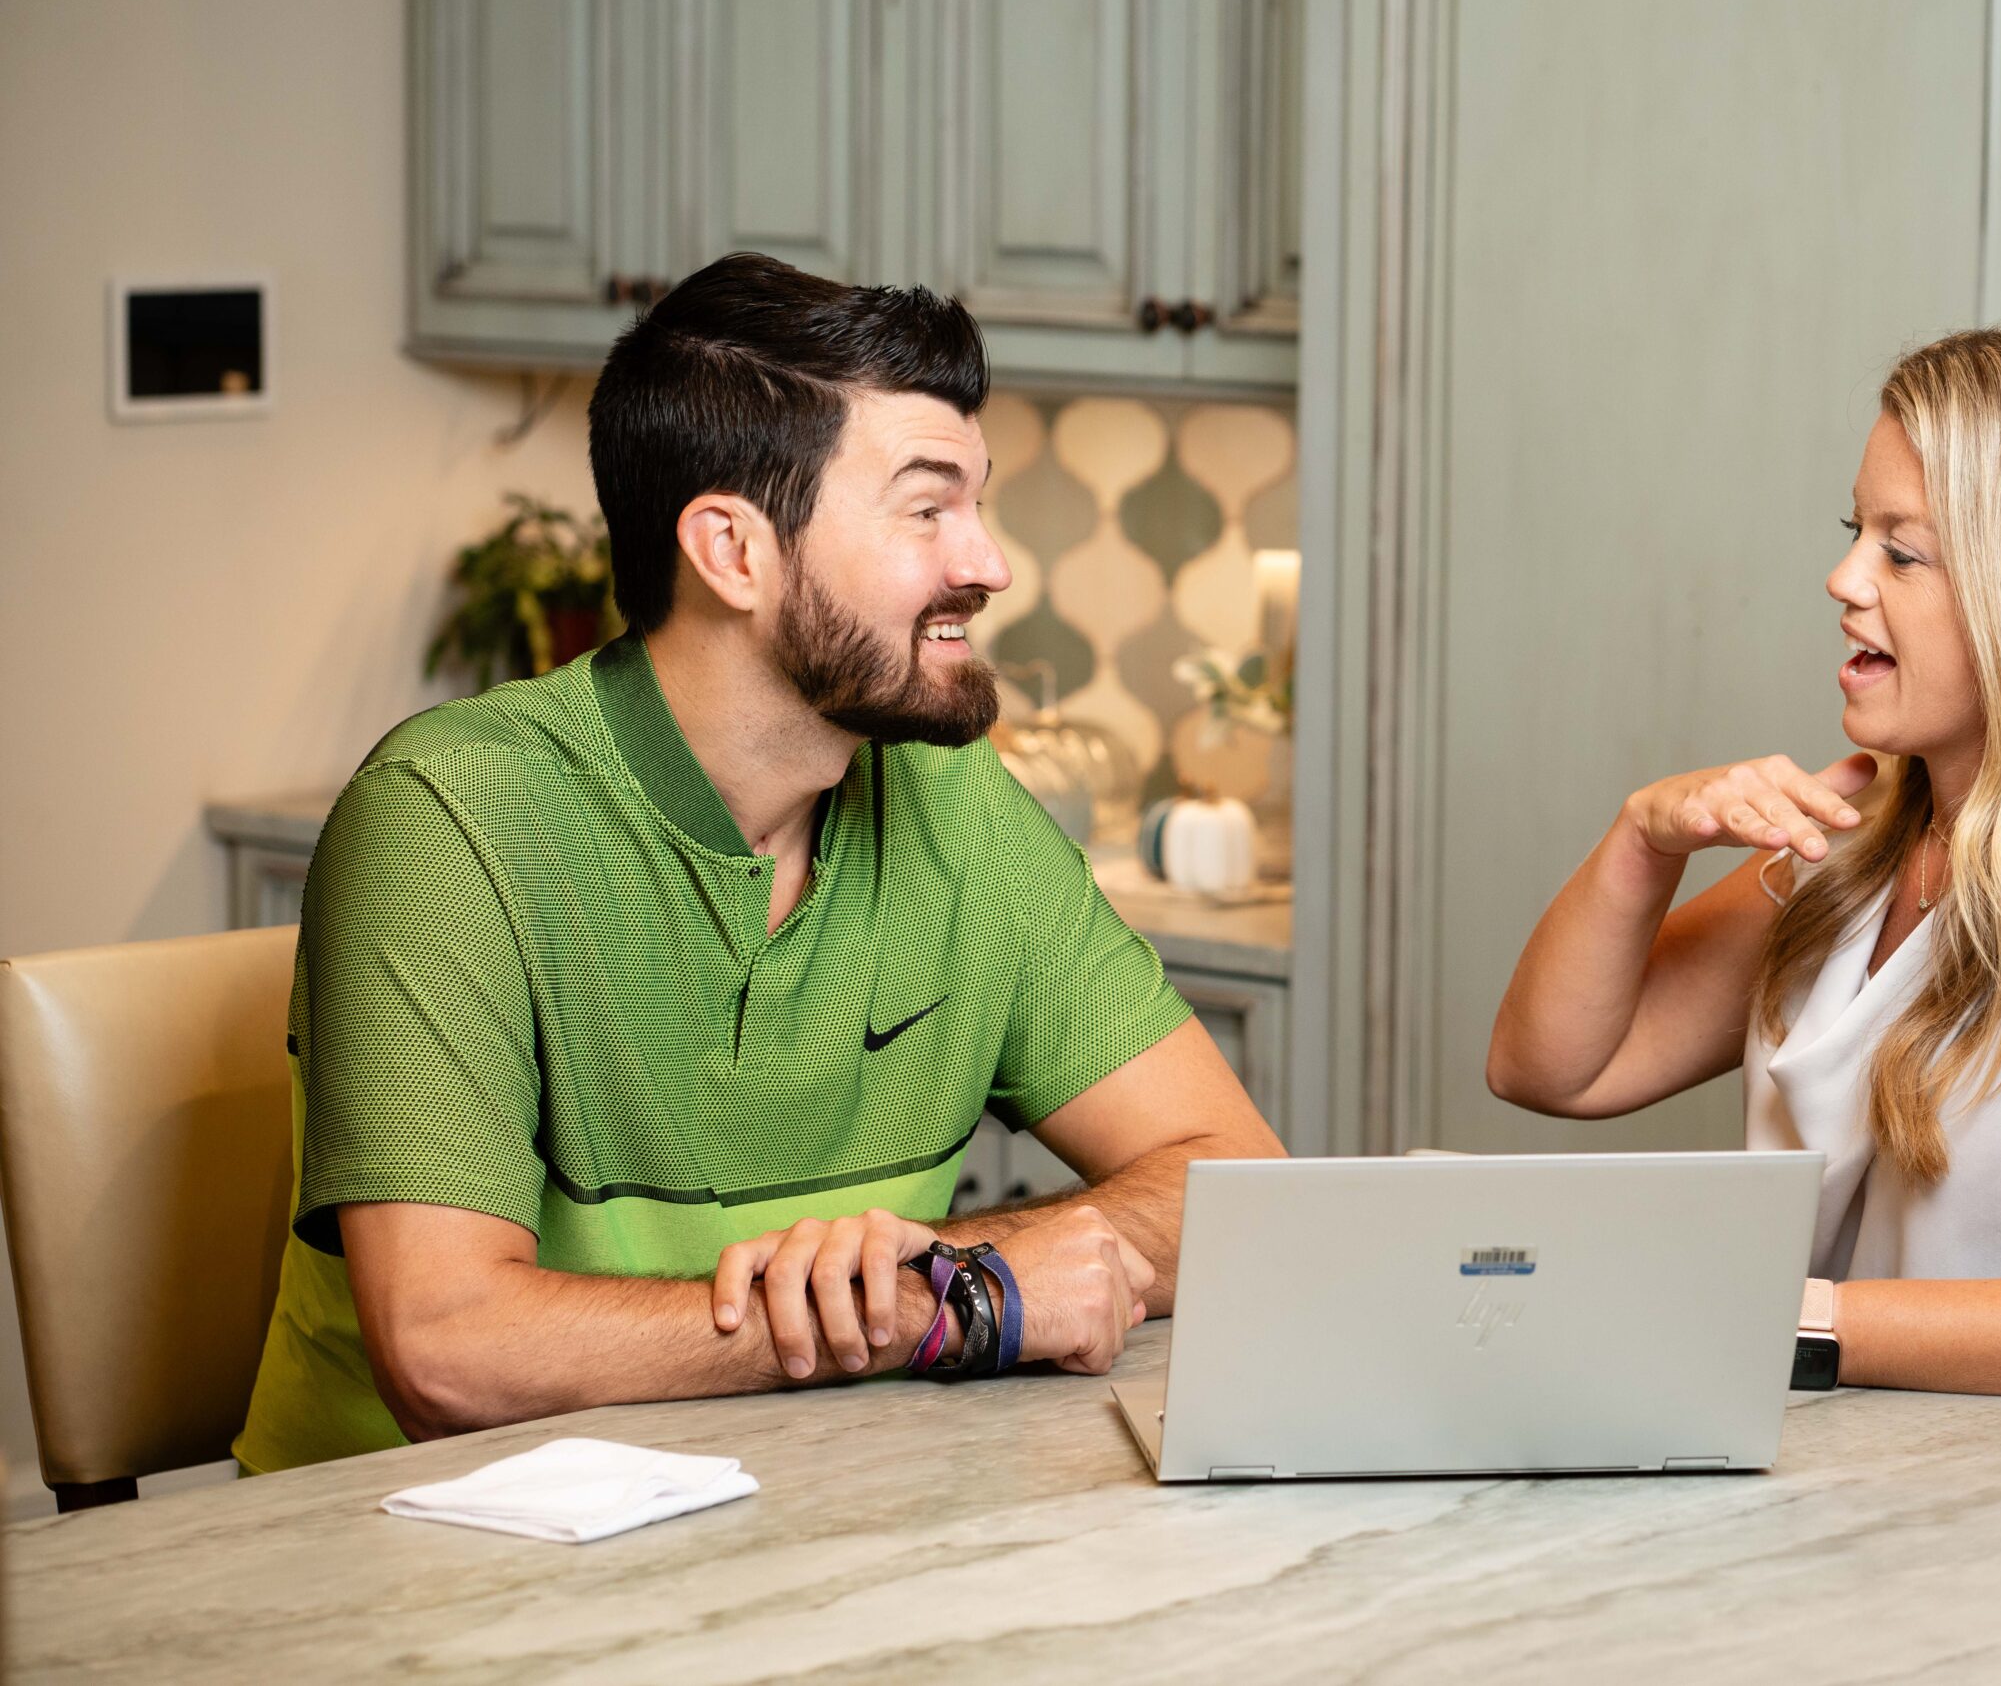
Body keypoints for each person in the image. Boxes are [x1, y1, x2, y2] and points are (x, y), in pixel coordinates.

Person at [235, 252, 1285, 1473]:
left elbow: (1237, 1188)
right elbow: (448, 1349)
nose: (987, 564)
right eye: (928, 507)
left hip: (790, 1516)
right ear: (731, 552)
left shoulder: (955, 805)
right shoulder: (446, 817)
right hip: (404, 1568)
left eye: (980, 505)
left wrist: (960, 1283)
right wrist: (942, 1304)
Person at [1487, 326, 2001, 1418]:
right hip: (1874, 1472)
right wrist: (1642, 843)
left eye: (1902, 551)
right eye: (1854, 533)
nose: (1842, 579)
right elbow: (1554, 1069)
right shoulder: (1877, 824)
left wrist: (1773, 1319)